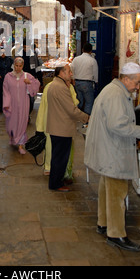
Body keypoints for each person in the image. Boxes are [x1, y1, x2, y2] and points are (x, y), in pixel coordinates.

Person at [84, 62, 140, 252]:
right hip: (113, 151)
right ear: (125, 79)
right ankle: (116, 234)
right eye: (137, 82)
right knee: (117, 192)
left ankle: (103, 222)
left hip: (108, 149)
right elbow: (119, 125)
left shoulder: (113, 90)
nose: (138, 86)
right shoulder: (116, 95)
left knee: (107, 188)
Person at [47, 63, 89, 192]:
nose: (71, 74)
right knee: (60, 158)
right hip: (61, 128)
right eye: (69, 72)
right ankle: (56, 183)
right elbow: (71, 110)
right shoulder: (60, 87)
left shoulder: (55, 85)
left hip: (58, 127)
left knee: (58, 156)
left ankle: (56, 180)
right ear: (61, 73)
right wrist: (87, 118)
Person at [36, 74, 79, 181]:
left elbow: (42, 107)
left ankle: (48, 167)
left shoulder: (49, 86)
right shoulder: (68, 88)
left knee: (50, 145)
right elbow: (74, 104)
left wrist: (39, 126)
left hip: (49, 121)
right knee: (62, 147)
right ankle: (60, 170)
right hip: (63, 123)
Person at [3, 57, 40, 155]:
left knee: (22, 123)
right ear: (13, 65)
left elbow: (37, 84)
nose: (18, 68)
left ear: (22, 66)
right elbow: (5, 91)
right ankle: (13, 137)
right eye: (16, 65)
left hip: (24, 104)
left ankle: (20, 145)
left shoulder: (27, 76)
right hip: (12, 104)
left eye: (20, 66)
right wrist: (6, 103)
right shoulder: (8, 76)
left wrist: (30, 83)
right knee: (11, 124)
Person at [71, 42, 98, 115]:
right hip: (87, 83)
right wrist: (96, 81)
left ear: (82, 49)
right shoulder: (92, 60)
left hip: (77, 82)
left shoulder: (76, 59)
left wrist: (73, 79)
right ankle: (85, 119)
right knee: (89, 102)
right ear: (91, 51)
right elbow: (95, 73)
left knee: (79, 101)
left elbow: (72, 69)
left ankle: (77, 116)